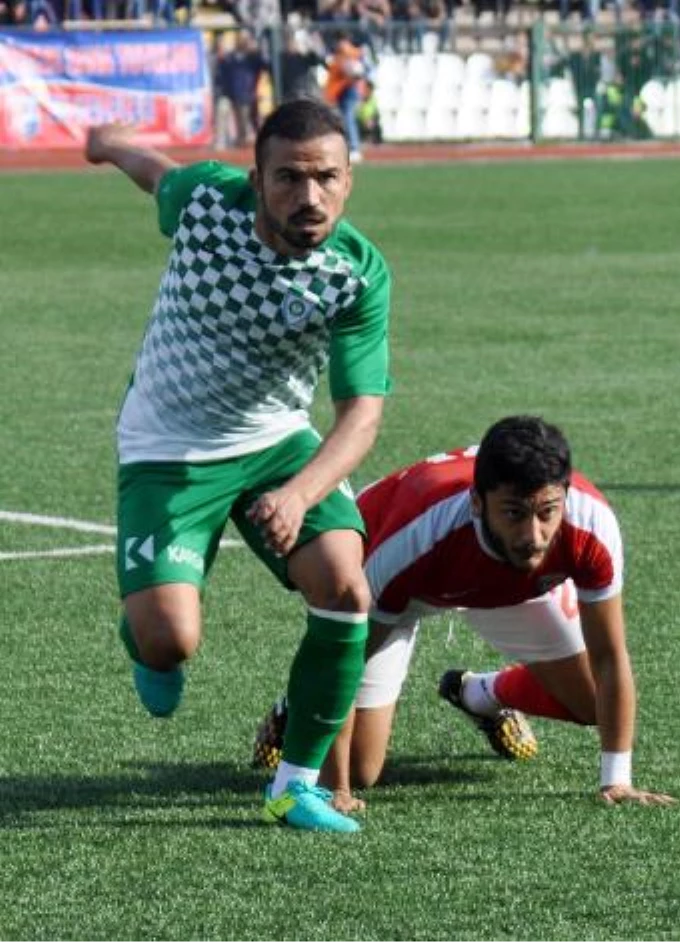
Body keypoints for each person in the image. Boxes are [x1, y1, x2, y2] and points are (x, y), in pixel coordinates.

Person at [84, 97, 393, 834]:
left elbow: (361, 416)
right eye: (287, 178)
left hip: (276, 441)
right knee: (169, 639)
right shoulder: (205, 202)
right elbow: (155, 173)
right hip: (170, 443)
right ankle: (148, 645)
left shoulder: (357, 273)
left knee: (347, 588)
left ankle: (295, 785)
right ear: (255, 180)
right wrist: (110, 143)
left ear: (350, 179)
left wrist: (299, 492)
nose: (308, 196)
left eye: (326, 177)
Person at [252, 416, 676, 811]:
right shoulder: (415, 539)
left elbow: (609, 655)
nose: (534, 535)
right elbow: (346, 657)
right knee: (362, 771)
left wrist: (616, 781)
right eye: (514, 513)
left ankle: (480, 694)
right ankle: (299, 703)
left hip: (514, 587)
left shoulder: (592, 525)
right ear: (477, 503)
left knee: (593, 704)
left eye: (548, 512)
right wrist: (335, 789)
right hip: (401, 589)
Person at [325, 32, 367, 163]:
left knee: (348, 118)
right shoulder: (342, 56)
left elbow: (357, 72)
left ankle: (354, 148)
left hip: (349, 90)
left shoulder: (350, 54)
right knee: (344, 119)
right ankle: (349, 147)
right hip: (342, 91)